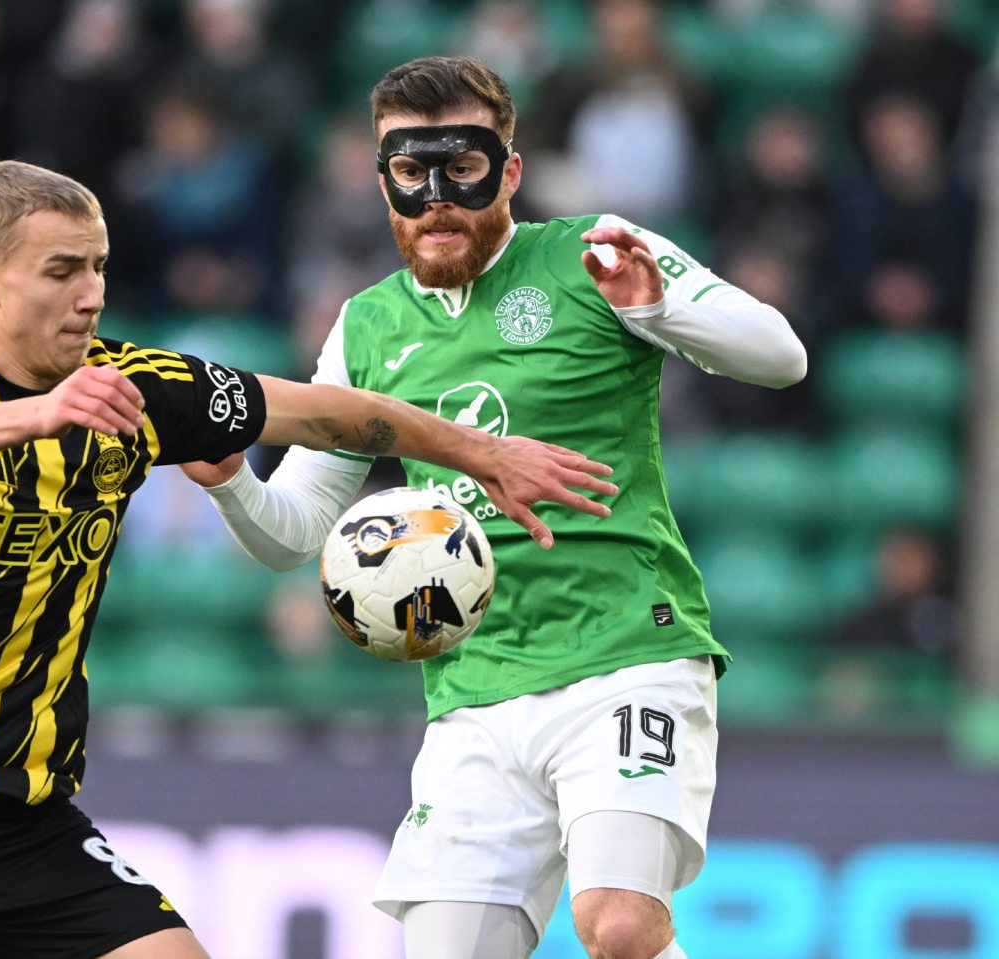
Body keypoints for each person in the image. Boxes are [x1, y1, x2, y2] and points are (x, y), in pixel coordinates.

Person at [0, 158, 619, 959]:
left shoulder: (139, 385)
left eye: (100, 266)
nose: (91, 294)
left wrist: (481, 452)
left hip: (22, 818)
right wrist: (43, 413)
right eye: (62, 270)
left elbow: (327, 414)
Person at [180, 57, 808, 959]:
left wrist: (663, 303)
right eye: (410, 171)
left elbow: (780, 354)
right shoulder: (364, 329)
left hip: (627, 653)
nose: (436, 196)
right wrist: (233, 480)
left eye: (463, 167)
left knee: (621, 923)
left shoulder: (593, 252)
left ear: (509, 170)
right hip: (474, 693)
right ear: (382, 178)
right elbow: (297, 533)